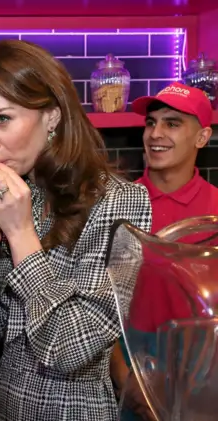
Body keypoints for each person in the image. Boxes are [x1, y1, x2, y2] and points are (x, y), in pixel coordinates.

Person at [0, 39, 153, 421]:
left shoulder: (122, 202)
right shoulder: (15, 195)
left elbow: (69, 349)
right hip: (6, 407)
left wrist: (20, 235)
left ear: (52, 116)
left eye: (2, 119)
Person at [109, 82, 217, 421]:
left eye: (172, 123)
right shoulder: (117, 204)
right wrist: (125, 374)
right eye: (151, 122)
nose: (155, 133)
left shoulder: (215, 208)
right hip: (130, 356)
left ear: (202, 137)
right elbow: (99, 301)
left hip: (204, 361)